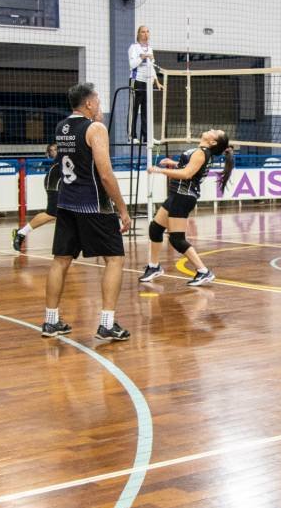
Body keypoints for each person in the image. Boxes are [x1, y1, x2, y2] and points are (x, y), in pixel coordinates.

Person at [42, 83, 132, 340]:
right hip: (93, 203)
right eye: (98, 101)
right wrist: (122, 209)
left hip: (66, 202)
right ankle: (107, 324)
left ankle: (51, 321)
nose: (100, 106)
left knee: (61, 260)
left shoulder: (62, 127)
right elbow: (105, 174)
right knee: (114, 259)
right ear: (89, 104)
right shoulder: (95, 128)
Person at [139, 130, 234, 286]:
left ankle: (203, 271)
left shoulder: (202, 153)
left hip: (183, 197)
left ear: (213, 142)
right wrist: (173, 163)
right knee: (155, 229)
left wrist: (160, 170)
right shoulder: (201, 151)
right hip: (176, 194)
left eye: (215, 132)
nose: (211, 129)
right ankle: (154, 267)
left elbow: (186, 174)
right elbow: (190, 167)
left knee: (176, 239)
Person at [12, 142, 59, 252]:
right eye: (52, 150)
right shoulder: (58, 161)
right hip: (55, 181)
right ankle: (22, 232)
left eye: (56, 149)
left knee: (68, 213)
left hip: (67, 180)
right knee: (52, 213)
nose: (55, 152)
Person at [128, 25, 162, 144]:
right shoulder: (134, 47)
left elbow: (151, 67)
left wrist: (157, 82)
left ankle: (147, 136)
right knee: (134, 109)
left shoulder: (150, 48)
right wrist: (141, 58)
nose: (146, 34)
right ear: (138, 34)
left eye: (147, 31)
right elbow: (132, 65)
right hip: (136, 80)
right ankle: (132, 136)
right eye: (143, 32)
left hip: (148, 83)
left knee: (146, 110)